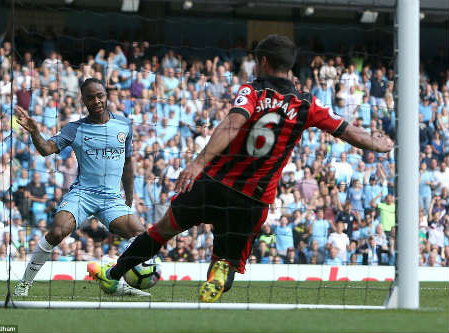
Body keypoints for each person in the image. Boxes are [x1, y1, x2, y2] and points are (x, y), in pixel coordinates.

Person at [87, 34, 394, 303]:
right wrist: (378, 144)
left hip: (214, 184)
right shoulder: (307, 103)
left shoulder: (253, 91)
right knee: (226, 262)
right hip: (255, 199)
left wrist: (197, 161)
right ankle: (218, 275)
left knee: (163, 230)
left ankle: (113, 274)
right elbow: (348, 131)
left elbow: (233, 124)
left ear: (262, 61)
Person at [13, 78, 148, 297]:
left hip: (112, 199)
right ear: (83, 101)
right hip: (83, 194)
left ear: (106, 95)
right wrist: (34, 131)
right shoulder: (75, 128)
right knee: (57, 232)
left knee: (140, 235)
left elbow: (128, 163)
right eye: (90, 97)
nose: (96, 101)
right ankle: (24, 283)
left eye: (100, 95)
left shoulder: (124, 125)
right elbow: (47, 149)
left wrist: (129, 199)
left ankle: (116, 280)